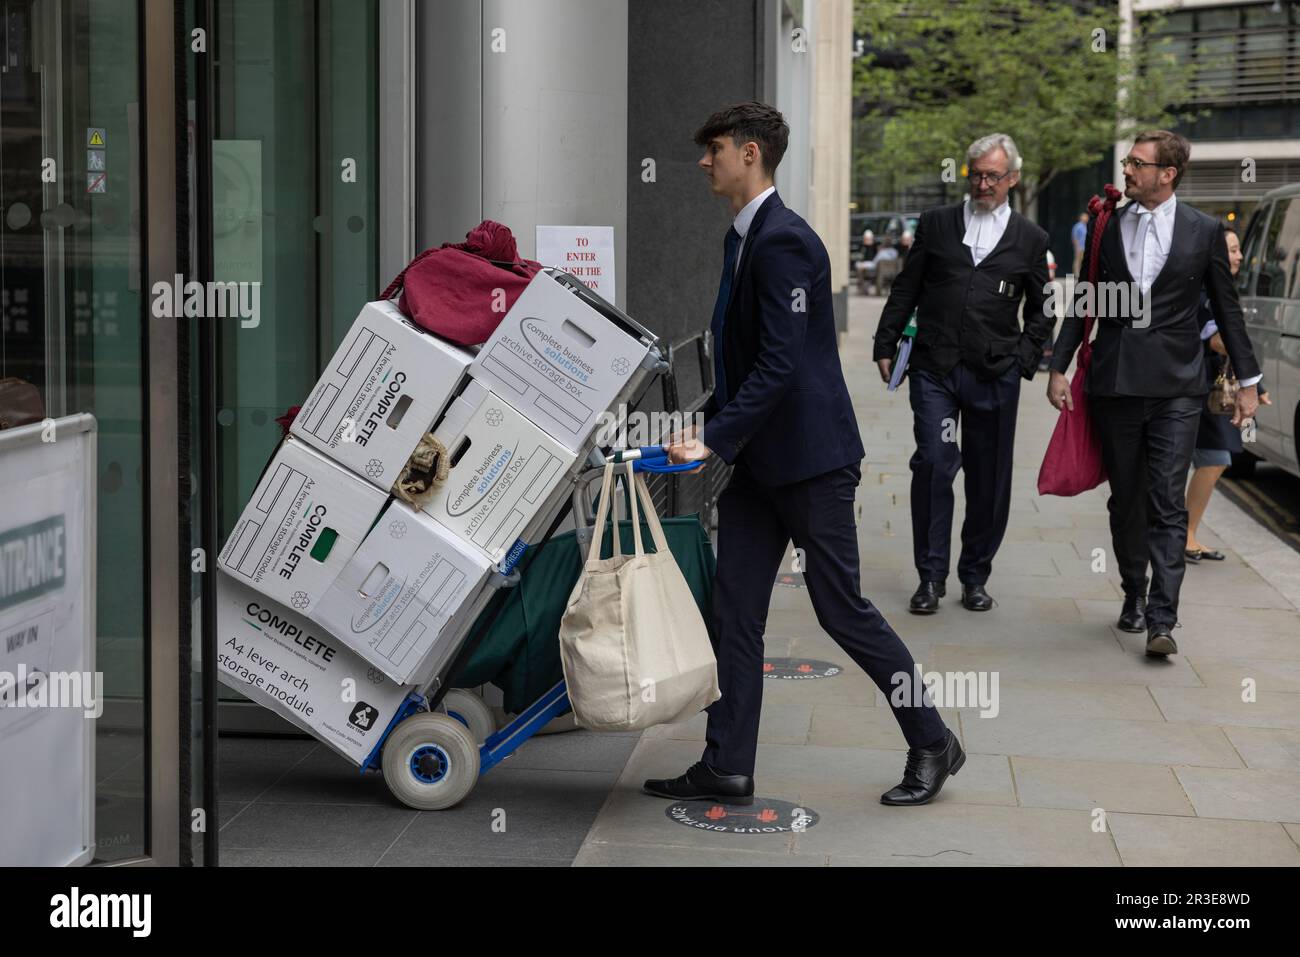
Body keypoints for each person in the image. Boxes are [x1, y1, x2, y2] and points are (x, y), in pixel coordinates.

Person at [643, 101, 962, 809]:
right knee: (734, 608)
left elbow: (782, 364)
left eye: (715, 148)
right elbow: (743, 356)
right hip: (760, 461)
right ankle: (727, 763)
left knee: (840, 608)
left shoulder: (784, 240)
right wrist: (712, 430)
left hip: (812, 461)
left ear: (750, 153)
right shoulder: (744, 237)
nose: (704, 161)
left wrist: (715, 437)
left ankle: (933, 739)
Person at [1046, 130, 1261, 657]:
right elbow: (1087, 299)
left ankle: (1163, 620)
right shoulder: (1106, 223)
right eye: (1128, 161)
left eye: (1138, 163)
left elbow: (1225, 309)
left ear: (1168, 174)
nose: (1128, 170)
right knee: (1127, 499)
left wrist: (1250, 383)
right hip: (1117, 382)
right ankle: (1133, 593)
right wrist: (1058, 366)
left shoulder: (1204, 231)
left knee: (1167, 499)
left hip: (1177, 388)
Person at [874, 133, 1053, 615]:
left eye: (993, 175)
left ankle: (975, 575)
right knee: (933, 462)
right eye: (975, 174)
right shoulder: (936, 224)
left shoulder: (1031, 240)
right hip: (935, 366)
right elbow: (906, 286)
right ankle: (930, 578)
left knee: (989, 478)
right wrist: (885, 341)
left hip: (996, 373)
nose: (982, 183)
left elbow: (1042, 309)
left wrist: (1023, 361)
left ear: (1012, 178)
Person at [1185, 225, 1272, 562]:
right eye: (1232, 249)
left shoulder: (1220, 286)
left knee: (1212, 459)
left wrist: (1256, 386)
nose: (1238, 256)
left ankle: (1185, 532)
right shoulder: (1207, 290)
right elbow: (1217, 340)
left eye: (1237, 249)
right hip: (1203, 387)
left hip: (1214, 384)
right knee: (1215, 458)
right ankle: (1184, 533)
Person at [1071, 212, 1089, 277]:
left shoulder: (1087, 226)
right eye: (1085, 217)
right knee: (1077, 261)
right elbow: (1074, 237)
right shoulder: (1077, 226)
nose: (1086, 218)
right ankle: (1077, 274)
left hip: (1085, 247)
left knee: (1083, 261)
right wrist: (1077, 247)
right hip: (1079, 247)